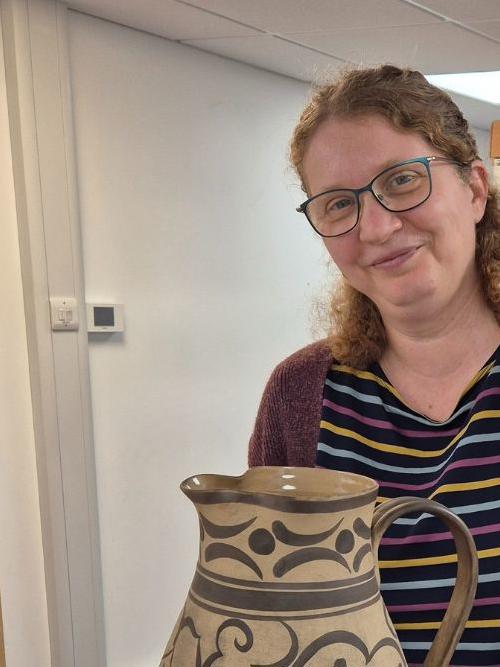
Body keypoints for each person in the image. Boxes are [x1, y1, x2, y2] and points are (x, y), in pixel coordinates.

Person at [248, 65, 500, 666]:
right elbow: (269, 609)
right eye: (339, 204)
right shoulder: (300, 393)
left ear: (473, 189)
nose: (378, 227)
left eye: (403, 181)